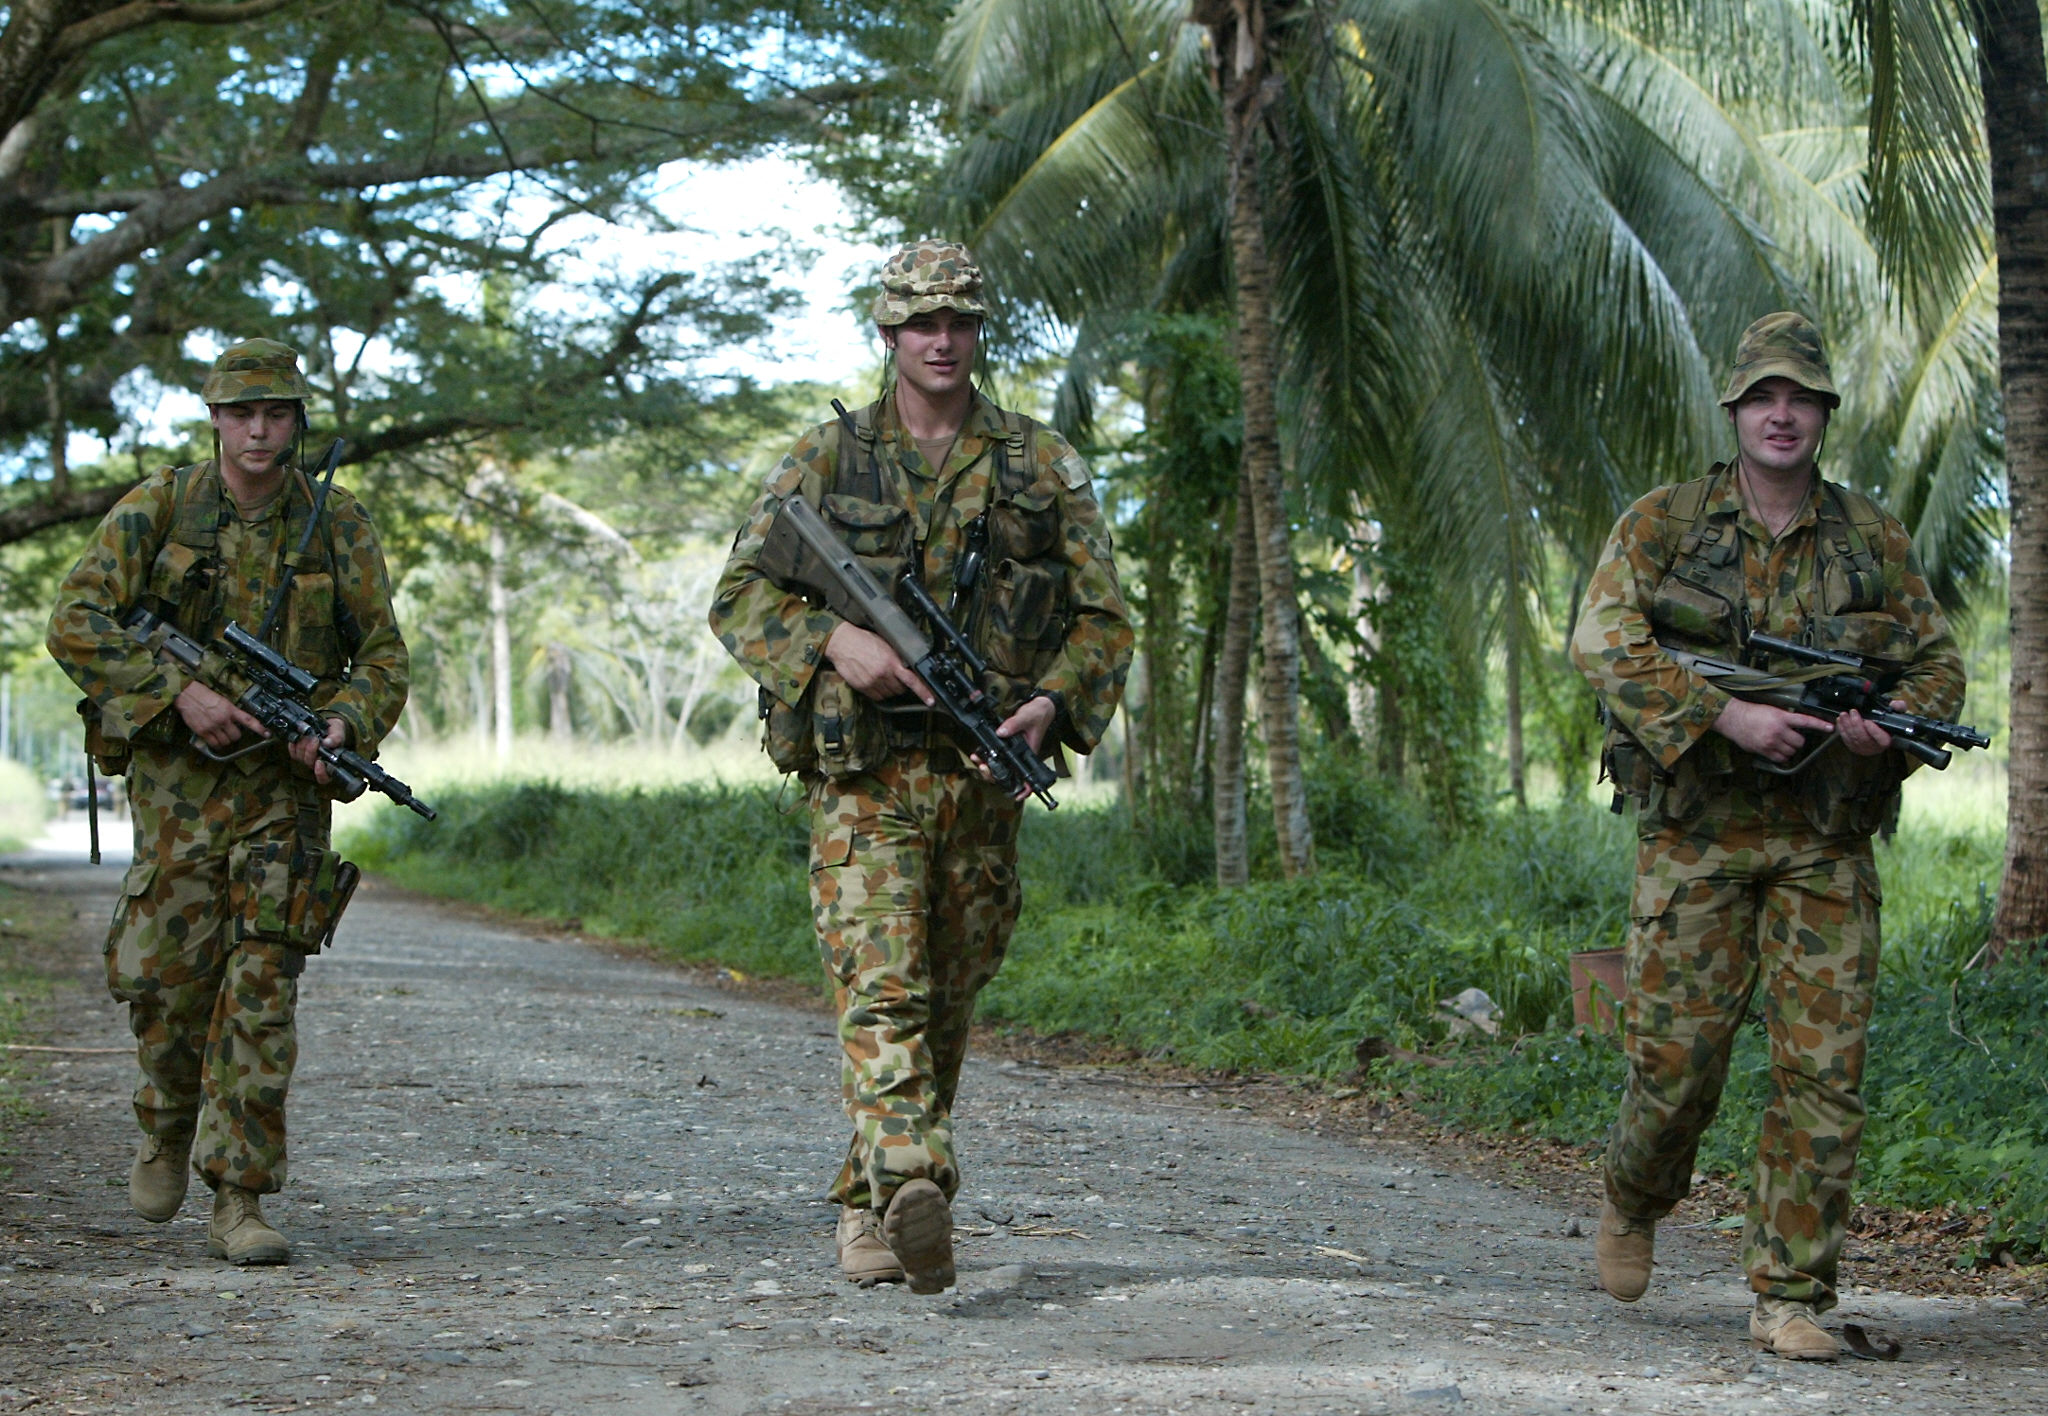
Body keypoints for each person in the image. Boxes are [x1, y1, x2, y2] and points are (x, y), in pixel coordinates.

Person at [708, 241, 1133, 1292]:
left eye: (958, 322)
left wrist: (1050, 704)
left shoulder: (1037, 462)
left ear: (977, 334)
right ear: (888, 333)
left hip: (982, 782)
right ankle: (912, 1180)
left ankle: (868, 1207)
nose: (940, 340)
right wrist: (832, 646)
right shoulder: (827, 457)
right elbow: (739, 596)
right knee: (881, 992)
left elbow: (1103, 620)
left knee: (944, 1002)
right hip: (865, 782)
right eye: (920, 323)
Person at [1571, 312, 1966, 1359]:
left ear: (1822, 414)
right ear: (1735, 411)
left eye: (1799, 398)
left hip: (1821, 842)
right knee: (1674, 1065)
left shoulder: (1868, 536)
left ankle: (1787, 1294)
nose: (1780, 414)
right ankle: (1631, 1194)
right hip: (1696, 833)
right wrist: (1723, 716)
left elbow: (1936, 669)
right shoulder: (1664, 523)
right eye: (1762, 397)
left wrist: (1879, 727)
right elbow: (1600, 638)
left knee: (1821, 1074)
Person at [47, 339, 409, 1265]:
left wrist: (341, 727)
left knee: (261, 992)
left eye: (277, 413)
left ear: (297, 422)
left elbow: (382, 658)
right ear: (213, 417)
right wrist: (180, 696)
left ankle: (240, 1195)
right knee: (165, 987)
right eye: (242, 412)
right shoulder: (161, 507)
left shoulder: (336, 523)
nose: (259, 429)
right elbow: (76, 619)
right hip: (178, 789)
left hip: (285, 795)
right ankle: (167, 1124)